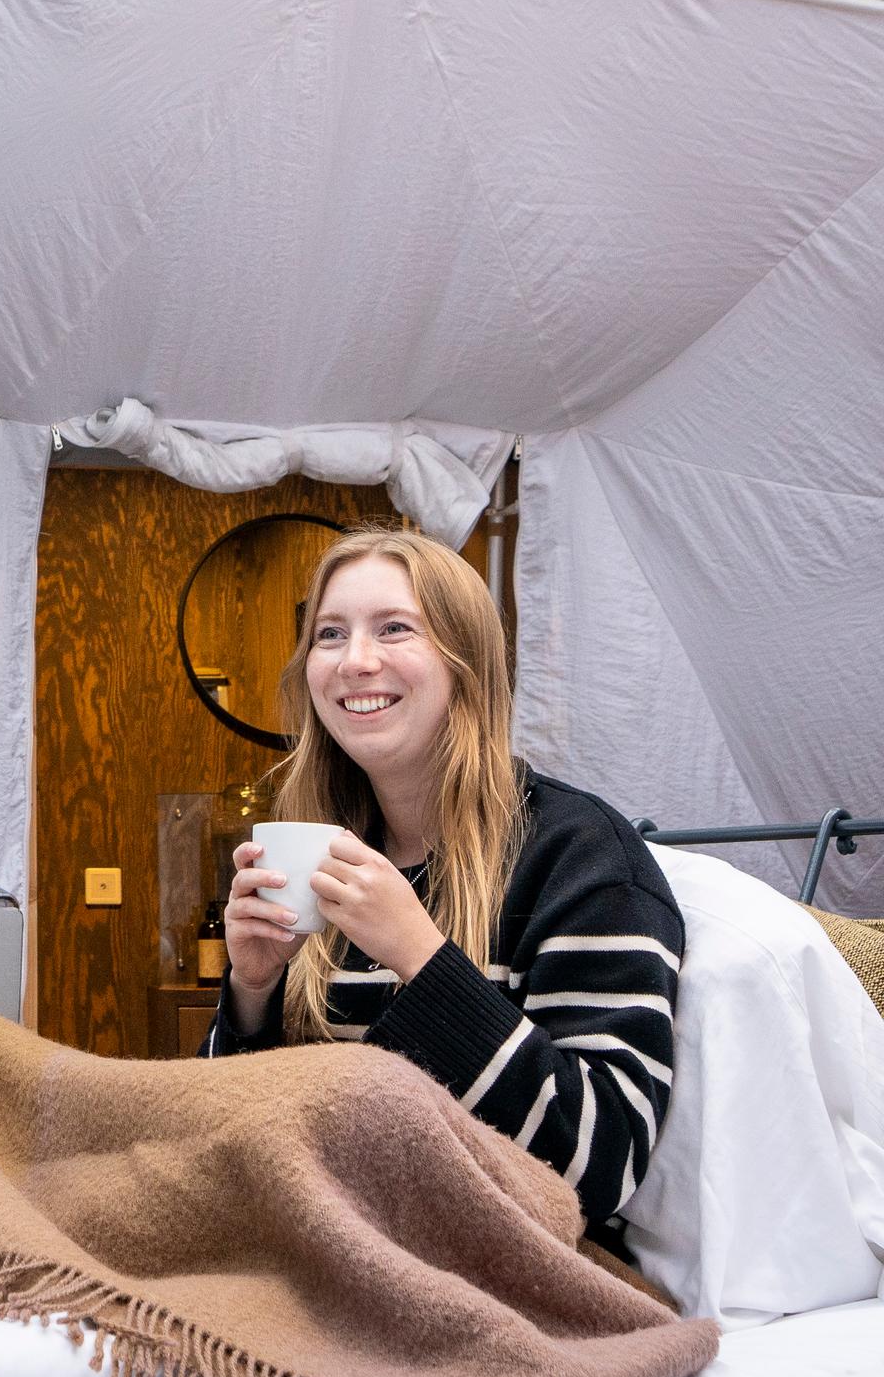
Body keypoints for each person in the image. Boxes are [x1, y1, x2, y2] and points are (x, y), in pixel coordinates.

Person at [212, 526, 683, 1245]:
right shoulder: (331, 849)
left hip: (493, 1258)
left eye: (395, 628)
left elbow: (602, 1162)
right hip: (320, 1235)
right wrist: (250, 994)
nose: (355, 661)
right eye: (329, 634)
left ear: (466, 661)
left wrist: (422, 959)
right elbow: (241, 1139)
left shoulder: (582, 858)